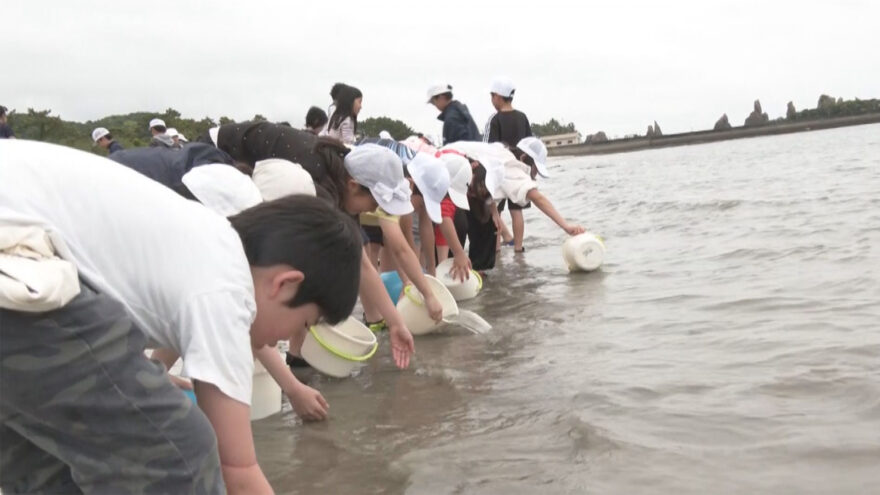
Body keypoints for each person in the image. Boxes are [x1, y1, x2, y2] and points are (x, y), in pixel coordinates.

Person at [0, 139, 363, 494]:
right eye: (302, 324)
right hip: (18, 264)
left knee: (48, 464)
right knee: (176, 458)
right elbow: (237, 469)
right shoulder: (229, 287)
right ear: (284, 285)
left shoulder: (206, 239)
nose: (277, 341)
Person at [443, 139, 584, 240]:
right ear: (523, 158)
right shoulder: (512, 168)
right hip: (450, 175)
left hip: (442, 160)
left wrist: (495, 212)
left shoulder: (499, 151)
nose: (534, 175)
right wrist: (566, 226)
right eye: (535, 170)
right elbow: (538, 198)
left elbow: (488, 181)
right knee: (457, 225)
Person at [486, 77, 537, 253]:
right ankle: (518, 248)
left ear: (498, 96)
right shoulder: (522, 117)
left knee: (496, 212)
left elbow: (489, 149)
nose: (492, 100)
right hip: (519, 169)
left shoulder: (495, 119)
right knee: (517, 211)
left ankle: (495, 249)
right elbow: (530, 144)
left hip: (500, 171)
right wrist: (531, 170)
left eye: (492, 96)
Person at [409, 152, 472, 282]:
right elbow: (444, 218)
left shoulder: (427, 185)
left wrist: (432, 270)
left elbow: (425, 226)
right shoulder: (412, 182)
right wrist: (459, 253)